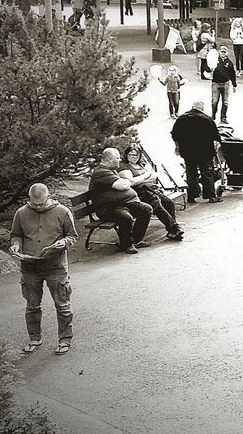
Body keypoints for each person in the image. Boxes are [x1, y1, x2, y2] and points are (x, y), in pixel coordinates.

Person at [9, 183, 77, 355]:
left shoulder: (62, 211)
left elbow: (72, 236)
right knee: (32, 305)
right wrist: (16, 245)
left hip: (55, 265)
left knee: (62, 304)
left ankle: (65, 340)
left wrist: (64, 242)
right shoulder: (21, 213)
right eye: (34, 204)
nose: (37, 207)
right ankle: (34, 338)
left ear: (48, 197)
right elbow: (16, 235)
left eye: (41, 203)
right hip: (30, 266)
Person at [88, 148, 154, 254]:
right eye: (117, 158)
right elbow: (123, 185)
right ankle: (126, 245)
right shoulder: (101, 172)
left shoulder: (110, 170)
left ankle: (136, 240)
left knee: (146, 209)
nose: (119, 160)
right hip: (107, 209)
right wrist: (128, 181)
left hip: (121, 204)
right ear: (110, 159)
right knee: (126, 217)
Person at [119, 144, 184, 241]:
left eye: (136, 155)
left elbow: (154, 176)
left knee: (168, 203)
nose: (133, 157)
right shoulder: (124, 166)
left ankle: (172, 231)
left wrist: (143, 178)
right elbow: (131, 182)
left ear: (140, 155)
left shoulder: (141, 164)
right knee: (156, 204)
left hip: (151, 189)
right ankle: (174, 229)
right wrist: (146, 175)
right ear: (126, 155)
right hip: (139, 193)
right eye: (130, 155)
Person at [170, 101, 222, 203]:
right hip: (205, 152)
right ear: (201, 109)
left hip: (188, 152)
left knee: (191, 173)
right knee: (207, 173)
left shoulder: (181, 119)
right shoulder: (207, 119)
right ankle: (210, 196)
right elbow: (216, 137)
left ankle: (192, 196)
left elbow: (174, 135)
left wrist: (177, 147)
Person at [211, 46, 238, 124]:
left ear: (227, 53)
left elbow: (232, 74)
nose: (223, 53)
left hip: (225, 83)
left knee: (225, 101)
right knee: (215, 101)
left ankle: (223, 117)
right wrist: (210, 70)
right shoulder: (214, 61)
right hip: (215, 83)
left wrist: (234, 85)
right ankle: (213, 115)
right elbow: (207, 69)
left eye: (224, 52)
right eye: (221, 52)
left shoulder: (229, 63)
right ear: (219, 52)